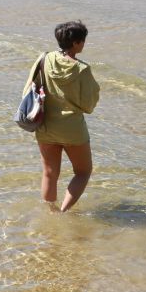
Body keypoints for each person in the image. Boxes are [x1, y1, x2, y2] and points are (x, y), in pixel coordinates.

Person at [27, 21, 100, 213]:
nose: (84, 44)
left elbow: (29, 88)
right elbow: (89, 105)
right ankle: (64, 212)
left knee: (50, 173)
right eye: (83, 40)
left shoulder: (44, 58)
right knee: (83, 172)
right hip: (72, 129)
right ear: (76, 43)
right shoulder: (82, 69)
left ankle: (51, 211)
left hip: (45, 126)